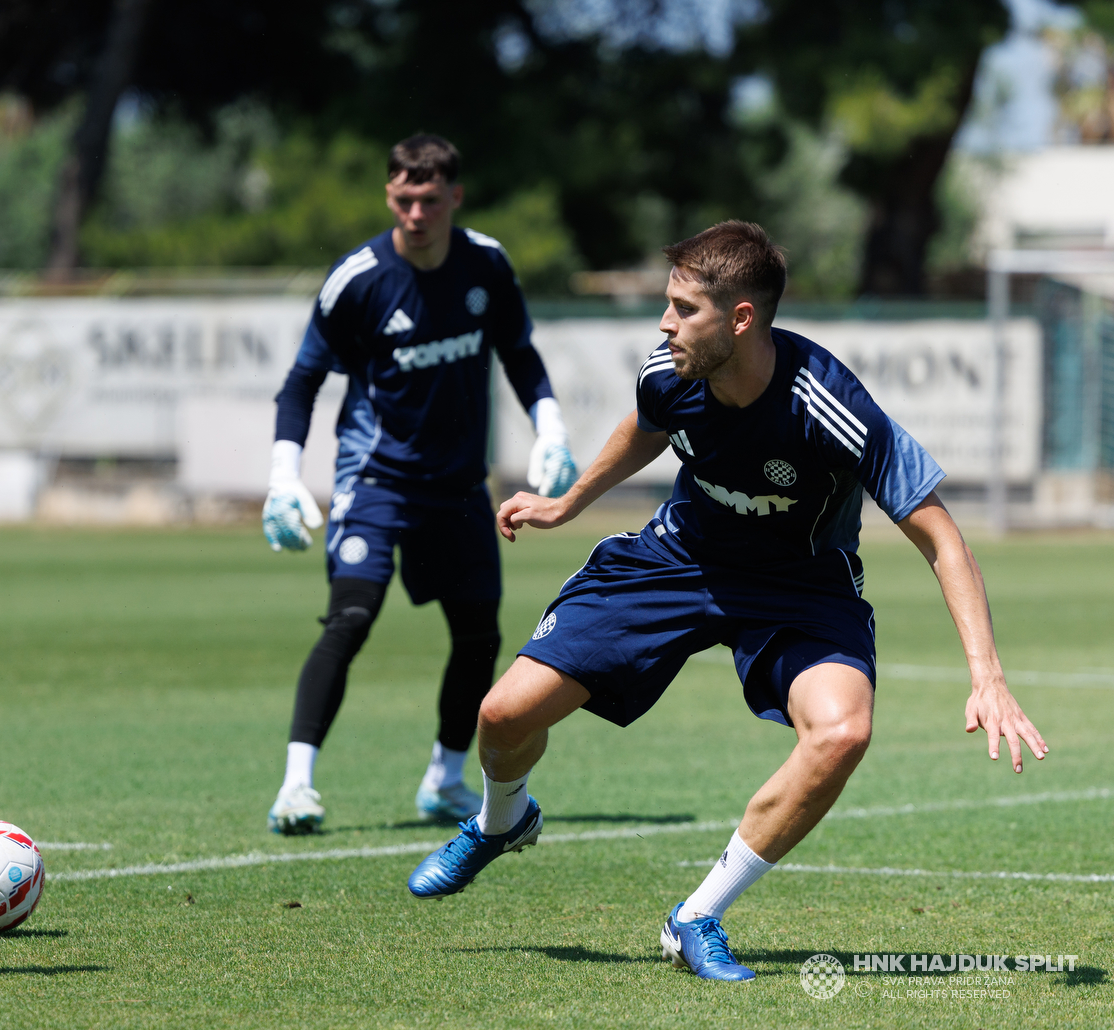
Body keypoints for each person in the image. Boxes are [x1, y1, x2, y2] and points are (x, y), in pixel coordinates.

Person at [403, 221, 1048, 981]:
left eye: (685, 309)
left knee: (842, 731)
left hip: (800, 584)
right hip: (678, 559)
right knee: (504, 715)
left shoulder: (828, 406)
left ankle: (696, 917)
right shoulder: (671, 369)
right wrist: (567, 502)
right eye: (668, 305)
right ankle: (500, 820)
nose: (666, 323)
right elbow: (646, 425)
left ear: (740, 319)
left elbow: (941, 537)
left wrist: (987, 674)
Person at [262, 134, 578, 835]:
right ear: (389, 195)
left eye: (430, 200)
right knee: (350, 617)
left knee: (478, 634)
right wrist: (284, 477)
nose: (416, 213)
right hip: (376, 480)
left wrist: (550, 430)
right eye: (405, 199)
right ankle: (296, 786)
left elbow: (520, 354)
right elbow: (302, 381)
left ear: (454, 197)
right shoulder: (358, 280)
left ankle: (444, 780)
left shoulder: (486, 264)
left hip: (460, 486)